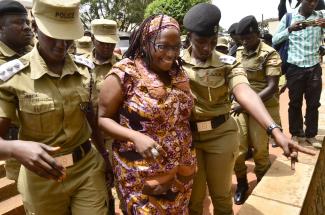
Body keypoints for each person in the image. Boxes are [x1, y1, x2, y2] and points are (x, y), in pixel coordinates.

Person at [181, 3, 314, 215]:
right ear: (189, 37)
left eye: (213, 42)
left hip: (219, 135)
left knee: (222, 196)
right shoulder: (175, 62)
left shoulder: (228, 62)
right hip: (187, 138)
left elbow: (245, 91)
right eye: (201, 42)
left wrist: (275, 130)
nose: (207, 48)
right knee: (194, 199)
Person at [0, 0, 110, 214]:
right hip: (42, 178)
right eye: (53, 36)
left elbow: (92, 119)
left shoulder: (85, 70)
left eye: (68, 36)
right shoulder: (12, 77)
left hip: (86, 169)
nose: (62, 44)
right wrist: (15, 148)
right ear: (35, 29)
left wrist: (105, 157)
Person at [98, 14, 196, 214]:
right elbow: (103, 118)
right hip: (141, 174)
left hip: (180, 172)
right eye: (163, 46)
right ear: (145, 42)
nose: (171, 54)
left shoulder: (178, 74)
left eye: (176, 46)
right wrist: (134, 136)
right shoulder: (125, 73)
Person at [232, 15, 282, 205]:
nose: (245, 42)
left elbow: (272, 87)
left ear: (257, 33)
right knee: (237, 149)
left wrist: (246, 103)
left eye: (248, 38)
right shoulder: (238, 53)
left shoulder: (270, 54)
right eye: (242, 39)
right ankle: (242, 183)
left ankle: (262, 181)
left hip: (261, 105)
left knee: (260, 149)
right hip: (239, 107)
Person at [273, 0, 325, 149]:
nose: (313, 4)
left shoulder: (321, 16)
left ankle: (311, 135)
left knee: (313, 103)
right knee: (295, 103)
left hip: (314, 66)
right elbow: (275, 39)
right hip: (294, 68)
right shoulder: (289, 17)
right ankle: (296, 134)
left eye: (315, 1)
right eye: (309, 1)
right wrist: (290, 29)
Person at [0, 0, 34, 181]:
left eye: (27, 22)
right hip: (17, 141)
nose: (27, 27)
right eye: (18, 23)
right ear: (0, 28)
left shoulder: (35, 52)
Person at [88, 19, 121, 92]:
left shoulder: (123, 65)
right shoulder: (81, 64)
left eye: (111, 42)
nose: (107, 46)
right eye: (102, 42)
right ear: (92, 39)